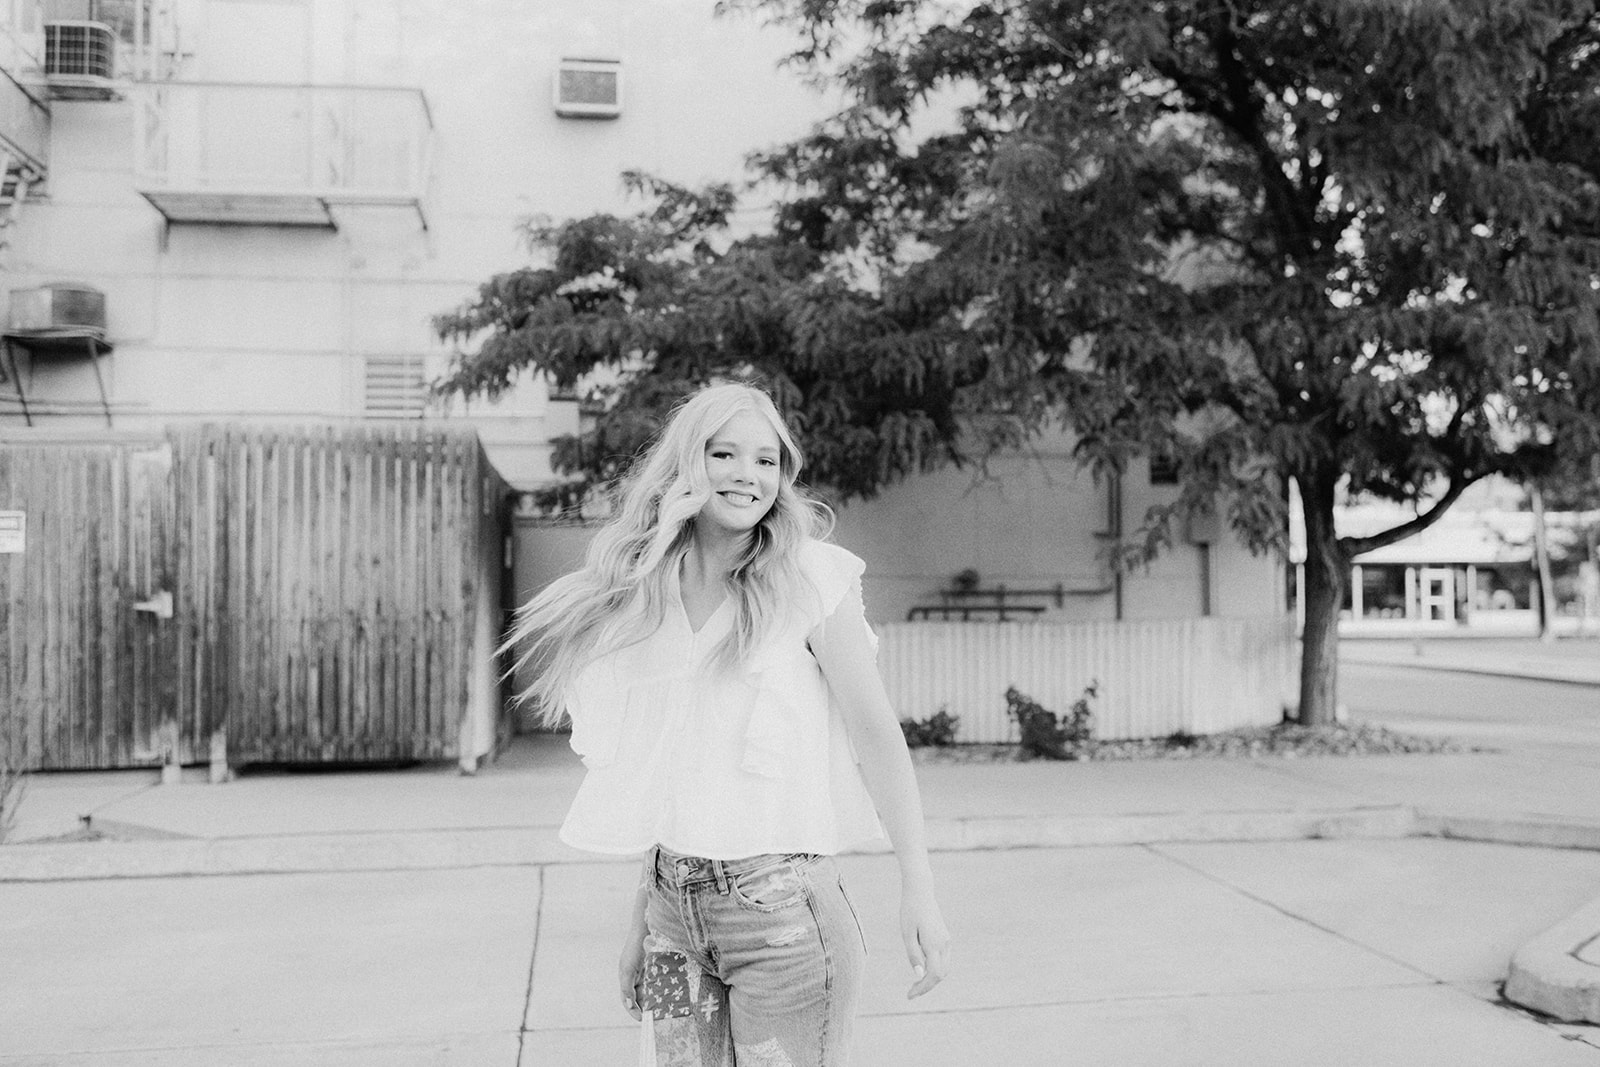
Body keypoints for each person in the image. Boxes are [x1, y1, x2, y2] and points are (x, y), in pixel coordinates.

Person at [507, 381, 951, 1066]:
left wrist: (918, 886)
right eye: (724, 454)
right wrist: (641, 923)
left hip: (785, 923)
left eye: (767, 460)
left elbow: (877, 735)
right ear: (686, 464)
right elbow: (666, 773)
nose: (748, 474)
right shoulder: (649, 592)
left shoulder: (810, 578)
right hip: (671, 921)